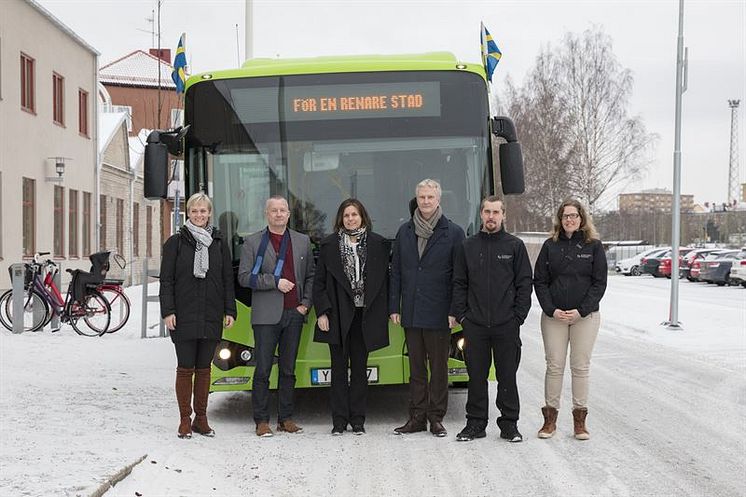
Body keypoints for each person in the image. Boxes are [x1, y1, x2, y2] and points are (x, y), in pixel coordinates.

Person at [451, 196, 532, 442]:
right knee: (476, 377)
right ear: (481, 214)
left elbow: (524, 284)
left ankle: (509, 425)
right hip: (475, 325)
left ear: (504, 215)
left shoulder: (514, 246)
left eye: (496, 212)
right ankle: (475, 424)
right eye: (487, 211)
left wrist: (518, 316)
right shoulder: (468, 246)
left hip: (506, 324)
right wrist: (463, 315)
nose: (491, 217)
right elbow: (459, 283)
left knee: (507, 376)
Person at [389, 179, 465, 437]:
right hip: (411, 311)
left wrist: (455, 310)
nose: (425, 202)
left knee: (439, 369)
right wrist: (394, 306)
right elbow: (396, 273)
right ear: (416, 199)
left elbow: (459, 276)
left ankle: (436, 418)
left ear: (438, 199)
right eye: (422, 197)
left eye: (430, 197)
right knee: (417, 369)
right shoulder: (404, 232)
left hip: (440, 313)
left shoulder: (454, 233)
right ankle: (417, 417)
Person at [159, 192, 237, 439]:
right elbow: (167, 281)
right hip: (183, 314)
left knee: (204, 369)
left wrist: (229, 310)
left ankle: (201, 419)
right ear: (188, 213)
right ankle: (184, 419)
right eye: (195, 211)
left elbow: (226, 279)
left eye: (203, 211)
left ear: (209, 213)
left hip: (212, 313)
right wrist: (168, 311)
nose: (199, 215)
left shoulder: (218, 243)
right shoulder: (176, 243)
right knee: (185, 368)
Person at [238, 196, 315, 437]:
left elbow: (312, 275)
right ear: (266, 214)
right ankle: (262, 421)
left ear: (289, 214)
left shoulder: (302, 241)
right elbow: (243, 277)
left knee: (288, 370)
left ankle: (286, 418)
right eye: (274, 210)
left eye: (283, 210)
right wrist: (274, 282)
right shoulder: (252, 242)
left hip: (294, 314)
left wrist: (305, 305)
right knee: (262, 370)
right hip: (265, 317)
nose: (279, 214)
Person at [313, 199, 390, 435]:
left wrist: (386, 311)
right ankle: (338, 421)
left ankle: (357, 420)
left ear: (362, 217)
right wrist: (322, 312)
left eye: (354, 215)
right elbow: (319, 284)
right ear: (341, 219)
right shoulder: (329, 246)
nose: (350, 219)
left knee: (359, 369)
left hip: (364, 316)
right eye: (346, 215)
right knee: (338, 370)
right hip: (337, 315)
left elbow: (386, 283)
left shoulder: (378, 244)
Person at [533, 198, 607, 440]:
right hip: (554, 317)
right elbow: (540, 281)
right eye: (565, 216)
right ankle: (550, 420)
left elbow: (599, 283)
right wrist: (551, 309)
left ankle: (579, 422)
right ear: (559, 219)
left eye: (574, 215)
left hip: (584, 317)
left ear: (581, 218)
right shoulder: (549, 246)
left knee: (580, 366)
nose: (570, 220)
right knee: (554, 365)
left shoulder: (593, 246)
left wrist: (581, 310)